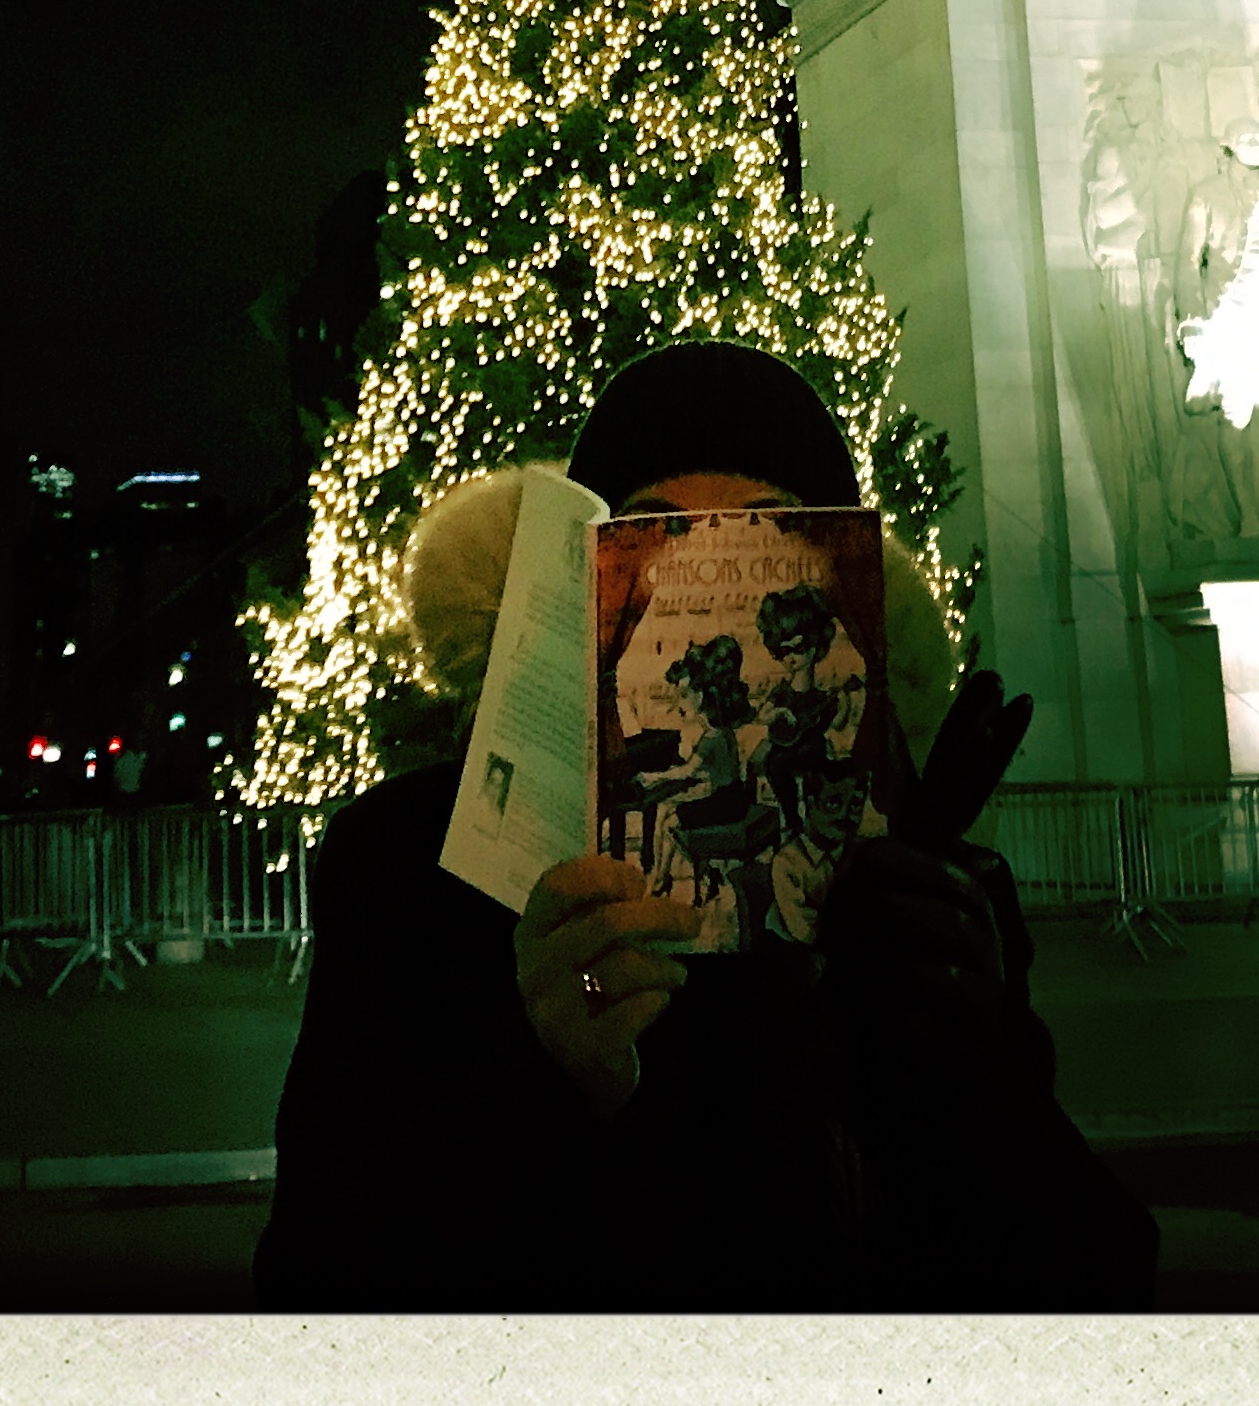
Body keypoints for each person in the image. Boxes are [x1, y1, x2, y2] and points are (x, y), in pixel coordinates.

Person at [255, 339, 1159, 1310]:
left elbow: (1095, 1278)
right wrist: (544, 1068)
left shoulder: (926, 890)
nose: (708, 588)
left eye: (766, 537)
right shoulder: (416, 865)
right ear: (580, 593)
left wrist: (966, 1072)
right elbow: (314, 1276)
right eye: (656, 535)